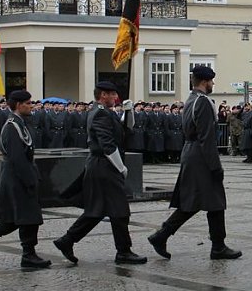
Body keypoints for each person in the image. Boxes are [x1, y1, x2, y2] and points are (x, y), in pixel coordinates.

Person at [147, 66, 241, 260]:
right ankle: (216, 246)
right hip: (200, 155)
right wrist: (215, 166)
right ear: (205, 82)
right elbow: (207, 137)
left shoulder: (190, 100)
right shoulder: (204, 102)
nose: (213, 84)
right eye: (211, 81)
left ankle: (214, 244)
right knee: (210, 201)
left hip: (191, 151)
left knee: (201, 201)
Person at [53, 81, 147, 265]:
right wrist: (120, 167)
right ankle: (123, 251)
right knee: (119, 210)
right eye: (112, 95)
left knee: (97, 210)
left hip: (103, 166)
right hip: (104, 166)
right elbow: (107, 145)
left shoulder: (104, 112)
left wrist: (129, 112)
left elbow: (125, 129)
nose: (115, 98)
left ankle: (67, 241)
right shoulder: (100, 114)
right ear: (103, 95)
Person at [0, 90, 51, 268]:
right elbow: (17, 157)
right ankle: (28, 254)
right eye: (28, 103)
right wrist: (29, 180)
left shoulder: (19, 123)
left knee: (17, 218)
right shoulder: (11, 126)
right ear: (18, 104)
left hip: (19, 176)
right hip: (17, 178)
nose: (31, 106)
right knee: (27, 217)